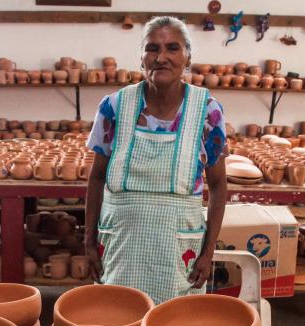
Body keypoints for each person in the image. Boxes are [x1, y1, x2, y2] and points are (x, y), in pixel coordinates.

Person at [84, 15, 227, 305]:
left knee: (173, 323)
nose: (161, 58)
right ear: (142, 59)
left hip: (178, 250)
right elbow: (96, 177)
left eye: (173, 48)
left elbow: (218, 186)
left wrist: (208, 252)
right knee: (119, 318)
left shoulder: (207, 111)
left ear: (188, 58)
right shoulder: (115, 106)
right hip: (120, 245)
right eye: (152, 49)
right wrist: (88, 240)